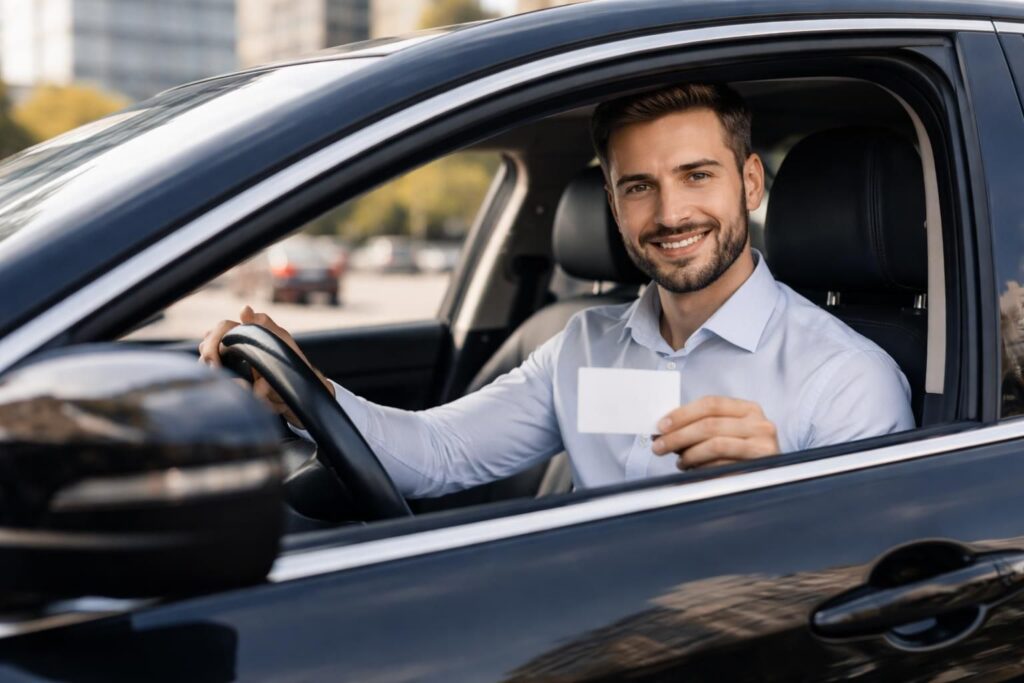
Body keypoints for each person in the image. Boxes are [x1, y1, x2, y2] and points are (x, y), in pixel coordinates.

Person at [200, 83, 914, 498]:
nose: (670, 215)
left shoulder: (847, 380)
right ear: (611, 199)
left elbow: (865, 597)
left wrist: (781, 490)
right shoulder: (582, 347)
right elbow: (439, 452)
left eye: (698, 176)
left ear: (750, 182)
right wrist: (306, 393)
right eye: (639, 187)